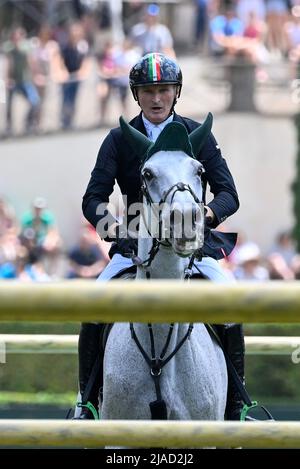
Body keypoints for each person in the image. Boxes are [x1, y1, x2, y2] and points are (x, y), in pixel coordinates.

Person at [77, 52, 243, 420]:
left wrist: (206, 214)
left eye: (164, 90)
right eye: (149, 90)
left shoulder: (198, 134)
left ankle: (237, 407)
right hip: (136, 246)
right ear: (136, 95)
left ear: (176, 92)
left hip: (192, 249)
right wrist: (115, 231)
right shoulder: (119, 139)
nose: (157, 98)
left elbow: (228, 193)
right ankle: (86, 402)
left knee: (232, 303)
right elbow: (93, 199)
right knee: (93, 307)